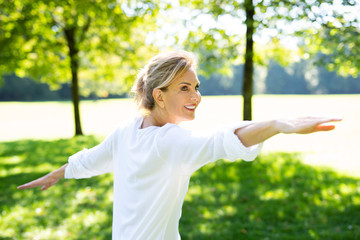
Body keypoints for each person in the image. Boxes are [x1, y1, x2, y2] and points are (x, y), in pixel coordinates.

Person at [18, 51, 341, 240]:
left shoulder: (129, 129)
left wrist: (58, 174)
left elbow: (90, 161)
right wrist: (277, 125)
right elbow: (222, 141)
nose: (196, 96)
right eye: (184, 88)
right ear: (159, 95)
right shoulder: (168, 141)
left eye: (197, 87)